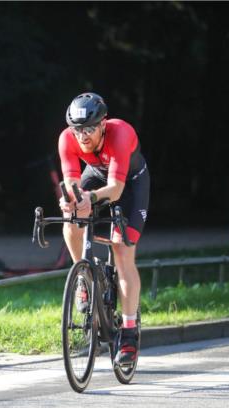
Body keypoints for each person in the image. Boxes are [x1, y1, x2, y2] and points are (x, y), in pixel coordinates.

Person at [57, 92, 150, 364]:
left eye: (88, 129)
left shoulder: (120, 133)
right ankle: (83, 278)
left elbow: (117, 190)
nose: (82, 136)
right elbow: (72, 183)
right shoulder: (67, 139)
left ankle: (130, 334)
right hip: (97, 174)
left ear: (103, 124)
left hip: (130, 183)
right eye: (77, 129)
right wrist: (71, 201)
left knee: (122, 253)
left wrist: (91, 198)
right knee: (72, 217)